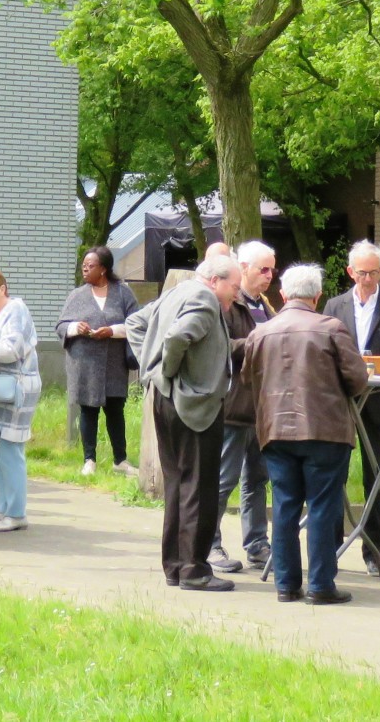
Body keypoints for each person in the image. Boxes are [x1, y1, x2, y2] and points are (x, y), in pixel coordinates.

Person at [240, 261, 370, 605]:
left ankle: (285, 584)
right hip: (324, 430)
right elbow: (358, 380)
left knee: (284, 507)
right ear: (318, 295)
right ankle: (321, 586)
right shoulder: (331, 328)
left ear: (282, 295)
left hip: (275, 431)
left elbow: (246, 377)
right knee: (323, 508)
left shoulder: (261, 332)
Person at [127, 252, 241, 591]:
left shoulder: (177, 292)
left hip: (167, 401)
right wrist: (164, 369)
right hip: (194, 406)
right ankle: (194, 570)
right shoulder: (204, 299)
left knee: (178, 484)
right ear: (215, 280)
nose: (236, 294)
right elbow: (178, 338)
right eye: (234, 287)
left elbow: (135, 323)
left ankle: (175, 567)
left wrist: (152, 371)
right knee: (199, 486)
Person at [322, 239, 380, 578]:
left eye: (374, 273)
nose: (367, 279)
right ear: (350, 272)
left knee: (374, 478)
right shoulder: (334, 306)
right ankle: (328, 548)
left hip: (377, 403)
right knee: (334, 474)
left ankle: (374, 553)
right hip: (341, 403)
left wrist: (373, 366)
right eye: (362, 273)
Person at [210, 238, 277, 573]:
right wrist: (260, 341)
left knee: (257, 480)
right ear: (244, 268)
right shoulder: (227, 303)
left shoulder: (265, 305)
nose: (268, 276)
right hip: (234, 406)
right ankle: (210, 546)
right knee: (225, 479)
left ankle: (257, 544)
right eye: (262, 269)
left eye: (271, 270)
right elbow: (220, 347)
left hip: (262, 408)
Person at [56, 246, 138, 477]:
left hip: (114, 365)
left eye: (90, 265)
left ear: (103, 269)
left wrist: (111, 331)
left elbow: (137, 323)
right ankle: (89, 460)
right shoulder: (77, 295)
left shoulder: (123, 294)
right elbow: (61, 326)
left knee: (115, 411)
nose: (85, 268)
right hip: (85, 364)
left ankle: (120, 460)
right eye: (83, 264)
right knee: (88, 411)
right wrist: (75, 327)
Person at [0, 264, 42, 532]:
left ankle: (16, 513)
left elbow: (11, 350)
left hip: (17, 389)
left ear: (2, 289)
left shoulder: (16, 311)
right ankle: (1, 508)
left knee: (10, 450)